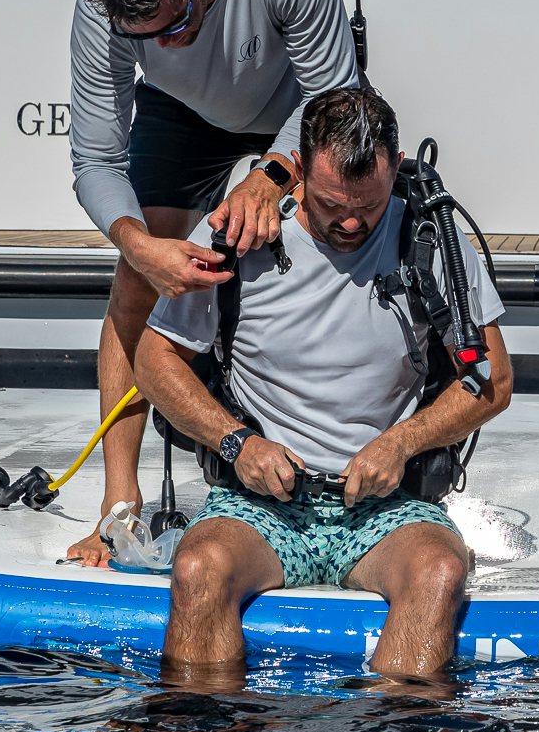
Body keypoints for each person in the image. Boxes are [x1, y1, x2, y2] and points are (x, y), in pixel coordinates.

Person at [135, 87, 511, 686]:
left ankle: (394, 725)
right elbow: (155, 361)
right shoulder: (236, 236)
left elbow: (490, 379)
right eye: (334, 204)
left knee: (440, 571)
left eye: (372, 203)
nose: (354, 222)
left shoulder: (432, 240)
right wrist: (238, 445)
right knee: (199, 569)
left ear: (397, 166)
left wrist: (400, 445)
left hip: (386, 506)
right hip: (261, 504)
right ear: (299, 172)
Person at [65, 0, 361, 566]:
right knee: (136, 274)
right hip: (181, 112)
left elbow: (334, 92)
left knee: (349, 236)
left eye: (180, 26)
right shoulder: (103, 6)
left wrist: (273, 176)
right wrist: (140, 248)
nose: (165, 45)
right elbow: (95, 160)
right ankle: (119, 508)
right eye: (149, 40)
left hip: (299, 102)